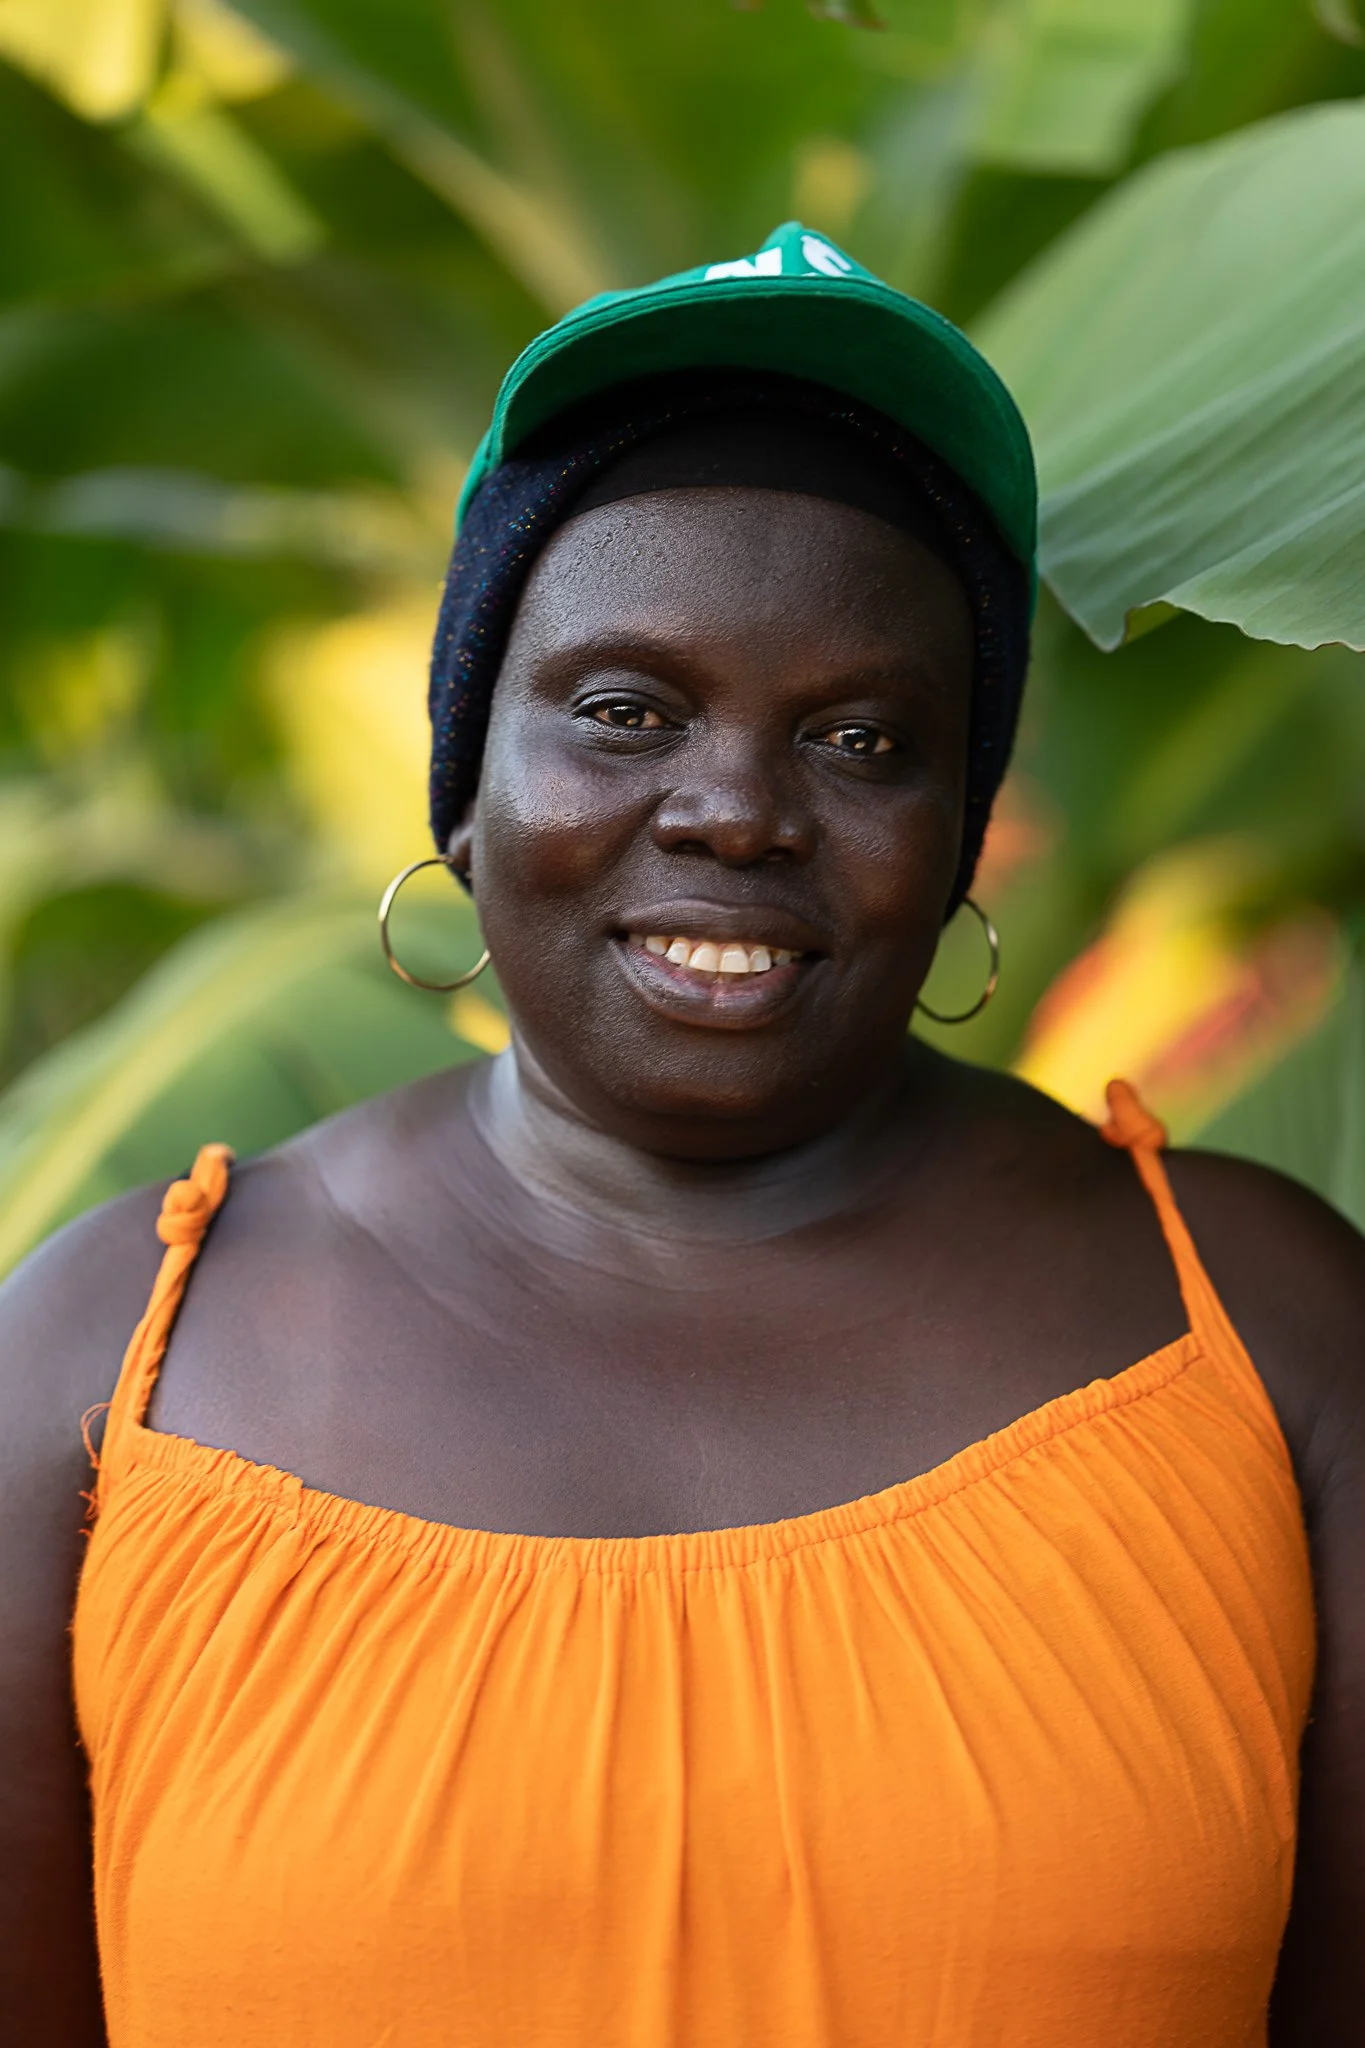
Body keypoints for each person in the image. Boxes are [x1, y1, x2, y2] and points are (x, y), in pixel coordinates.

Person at [1, 223, 1360, 2048]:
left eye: (865, 741)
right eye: (627, 711)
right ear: (466, 785)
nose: (735, 812)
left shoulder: (1267, 1334)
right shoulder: (106, 1373)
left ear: (962, 832)